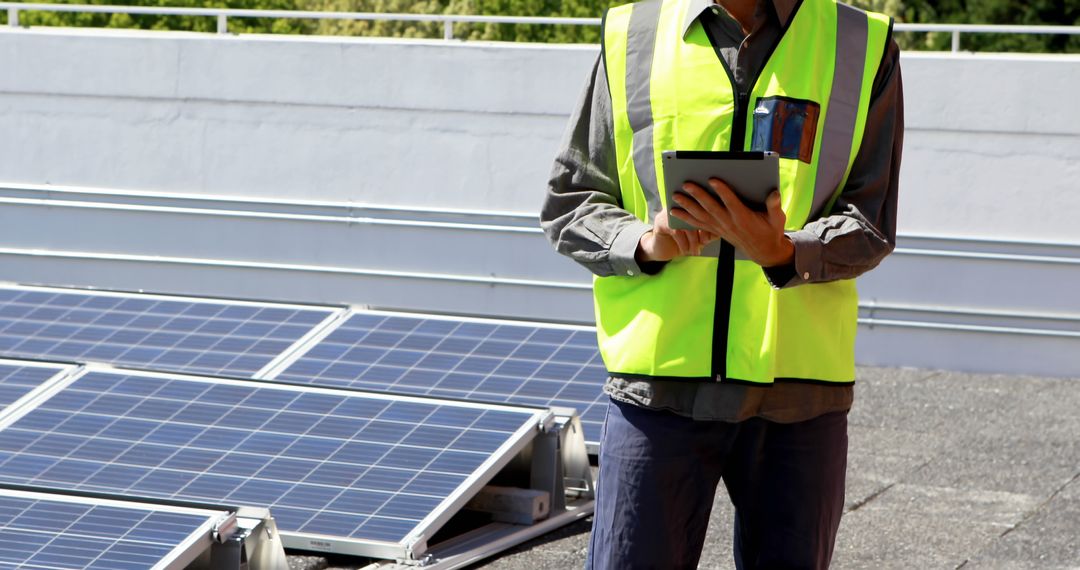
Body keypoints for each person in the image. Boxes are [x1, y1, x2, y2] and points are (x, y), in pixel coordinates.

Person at [540, 0, 903, 568]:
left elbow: (872, 219)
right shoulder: (631, 32)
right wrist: (645, 242)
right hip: (658, 386)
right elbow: (571, 202)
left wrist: (787, 251)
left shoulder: (861, 41)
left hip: (799, 393)